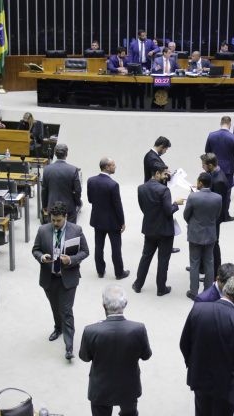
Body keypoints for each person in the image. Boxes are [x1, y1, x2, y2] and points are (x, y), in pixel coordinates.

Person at [180, 275, 234, 416]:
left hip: (200, 377)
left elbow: (184, 343)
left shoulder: (198, 309)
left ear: (225, 289)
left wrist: (192, 364)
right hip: (227, 386)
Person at [79, 285, 152, 416]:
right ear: (125, 304)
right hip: (129, 387)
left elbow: (84, 357)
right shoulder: (138, 329)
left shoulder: (90, 331)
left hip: (100, 389)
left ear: (103, 305)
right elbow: (146, 356)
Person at [32, 201, 90, 361]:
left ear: (65, 216)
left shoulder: (76, 230)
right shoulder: (43, 230)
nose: (55, 223)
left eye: (58, 220)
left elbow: (85, 251)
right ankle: (58, 328)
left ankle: (69, 347)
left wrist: (70, 259)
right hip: (49, 278)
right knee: (55, 307)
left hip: (68, 278)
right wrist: (42, 257)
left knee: (66, 310)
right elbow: (35, 250)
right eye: (53, 220)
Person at [133, 163, 184, 296]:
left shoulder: (141, 188)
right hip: (165, 231)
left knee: (146, 257)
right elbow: (168, 211)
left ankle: (138, 284)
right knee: (163, 260)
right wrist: (176, 204)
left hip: (149, 228)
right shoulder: (164, 190)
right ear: (157, 173)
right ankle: (161, 288)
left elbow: (143, 208)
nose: (166, 176)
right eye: (164, 174)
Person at [87, 158, 129, 280]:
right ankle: (119, 273)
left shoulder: (91, 181)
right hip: (112, 222)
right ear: (106, 167)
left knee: (98, 247)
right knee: (116, 248)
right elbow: (118, 206)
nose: (115, 167)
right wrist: (122, 222)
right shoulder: (113, 185)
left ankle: (100, 271)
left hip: (97, 220)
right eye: (113, 165)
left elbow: (90, 200)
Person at [183, 172, 222, 300]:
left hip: (195, 234)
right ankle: (208, 291)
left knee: (194, 263)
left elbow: (186, 215)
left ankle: (194, 292)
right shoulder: (218, 198)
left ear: (200, 182)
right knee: (209, 263)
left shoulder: (193, 197)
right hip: (210, 234)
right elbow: (217, 215)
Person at [200, 153, 230, 274]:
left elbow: (216, 203)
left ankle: (216, 270)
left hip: (214, 218)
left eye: (204, 165)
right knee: (205, 243)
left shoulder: (219, 181)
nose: (202, 167)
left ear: (211, 165)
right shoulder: (213, 175)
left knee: (214, 244)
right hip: (211, 216)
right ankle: (202, 267)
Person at [41, 143, 82, 223]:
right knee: (70, 230)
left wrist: (45, 205)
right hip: (69, 207)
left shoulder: (47, 169)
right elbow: (77, 190)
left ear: (55, 154)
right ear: (66, 154)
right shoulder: (73, 170)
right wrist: (77, 203)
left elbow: (44, 190)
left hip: (52, 206)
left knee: (52, 230)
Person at [205, 116, 234, 190]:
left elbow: (207, 151)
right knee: (227, 192)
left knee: (213, 191)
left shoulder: (211, 135)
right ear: (230, 124)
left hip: (213, 167)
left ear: (220, 123)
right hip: (228, 169)